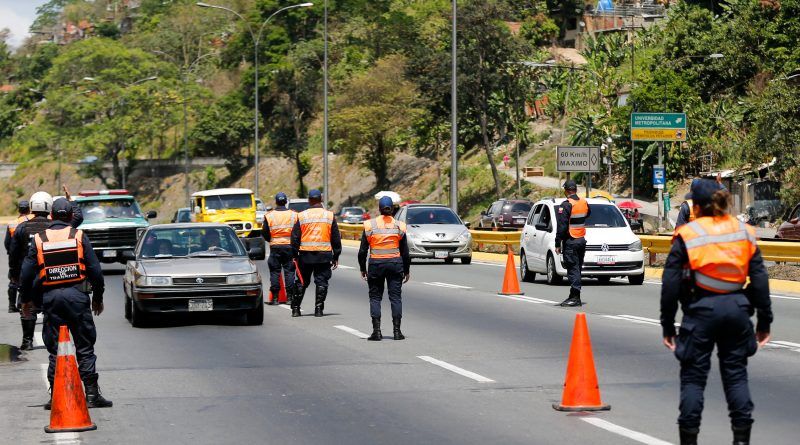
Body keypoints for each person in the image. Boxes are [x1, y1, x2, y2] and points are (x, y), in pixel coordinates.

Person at [660, 179, 772, 445]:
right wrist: (764, 321)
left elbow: (671, 284)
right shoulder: (743, 231)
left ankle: (689, 440)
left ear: (696, 206)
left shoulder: (688, 233)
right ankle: (741, 440)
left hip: (700, 312)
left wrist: (667, 325)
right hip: (736, 310)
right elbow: (759, 279)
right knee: (736, 377)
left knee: (693, 380)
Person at [20, 198, 111, 409]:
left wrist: (26, 301)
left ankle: (56, 397)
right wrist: (98, 297)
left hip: (50, 299)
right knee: (85, 347)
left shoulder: (40, 239)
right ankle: (91, 395)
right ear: (71, 216)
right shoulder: (78, 235)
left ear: (51, 216)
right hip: (77, 298)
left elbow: (26, 273)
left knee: (55, 350)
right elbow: (95, 271)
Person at [11, 189, 83, 351]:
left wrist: (15, 276)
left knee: (28, 306)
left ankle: (27, 341)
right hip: (51, 274)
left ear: (31, 206)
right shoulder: (56, 227)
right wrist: (70, 201)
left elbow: (14, 255)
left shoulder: (21, 228)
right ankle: (56, 339)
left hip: (29, 274)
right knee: (52, 308)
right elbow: (78, 218)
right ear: (49, 207)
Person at [358, 196, 411, 341]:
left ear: (379, 209)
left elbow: (362, 251)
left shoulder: (370, 225)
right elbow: (405, 252)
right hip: (395, 264)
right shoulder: (400, 225)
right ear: (393, 209)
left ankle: (377, 331)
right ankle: (397, 332)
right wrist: (406, 270)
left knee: (375, 298)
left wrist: (363, 268)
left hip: (376, 265)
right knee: (395, 298)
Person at [290, 189, 342, 317]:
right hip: (323, 256)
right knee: (321, 282)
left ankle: (296, 309)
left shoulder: (301, 216)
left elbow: (295, 237)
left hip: (305, 256)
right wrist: (336, 255)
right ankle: (319, 310)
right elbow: (335, 238)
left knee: (301, 281)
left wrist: (294, 254)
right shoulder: (329, 215)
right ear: (321, 200)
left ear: (309, 200)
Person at [555, 180, 591, 307]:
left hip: (571, 240)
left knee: (572, 268)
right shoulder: (583, 202)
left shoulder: (566, 205)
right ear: (575, 190)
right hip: (581, 239)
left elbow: (562, 226)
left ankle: (575, 297)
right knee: (577, 268)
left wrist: (557, 243)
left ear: (566, 190)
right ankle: (573, 295)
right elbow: (588, 214)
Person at [263, 192, 297, 305]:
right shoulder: (294, 215)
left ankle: (275, 298)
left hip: (275, 247)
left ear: (276, 202)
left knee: (275, 272)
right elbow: (297, 232)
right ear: (286, 201)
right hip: (289, 247)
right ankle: (290, 298)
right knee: (289, 272)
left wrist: (272, 240)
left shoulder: (269, 215)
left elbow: (265, 233)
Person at [5, 200, 32, 312]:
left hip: (15, 255)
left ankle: (12, 306)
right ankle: (21, 303)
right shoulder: (32, 221)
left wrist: (11, 253)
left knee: (13, 279)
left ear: (19, 210)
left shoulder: (12, 224)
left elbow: (7, 243)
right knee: (26, 279)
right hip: (28, 254)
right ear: (29, 210)